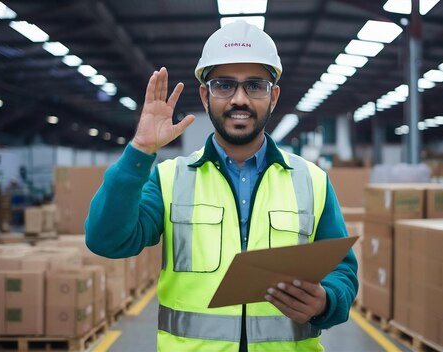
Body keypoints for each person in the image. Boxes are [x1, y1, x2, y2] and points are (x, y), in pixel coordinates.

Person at [85, 20, 358, 352]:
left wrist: (326, 302)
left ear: (273, 97)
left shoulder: (311, 180)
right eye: (224, 85)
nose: (239, 99)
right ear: (205, 95)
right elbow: (106, 240)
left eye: (255, 86)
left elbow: (342, 270)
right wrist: (139, 152)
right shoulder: (170, 178)